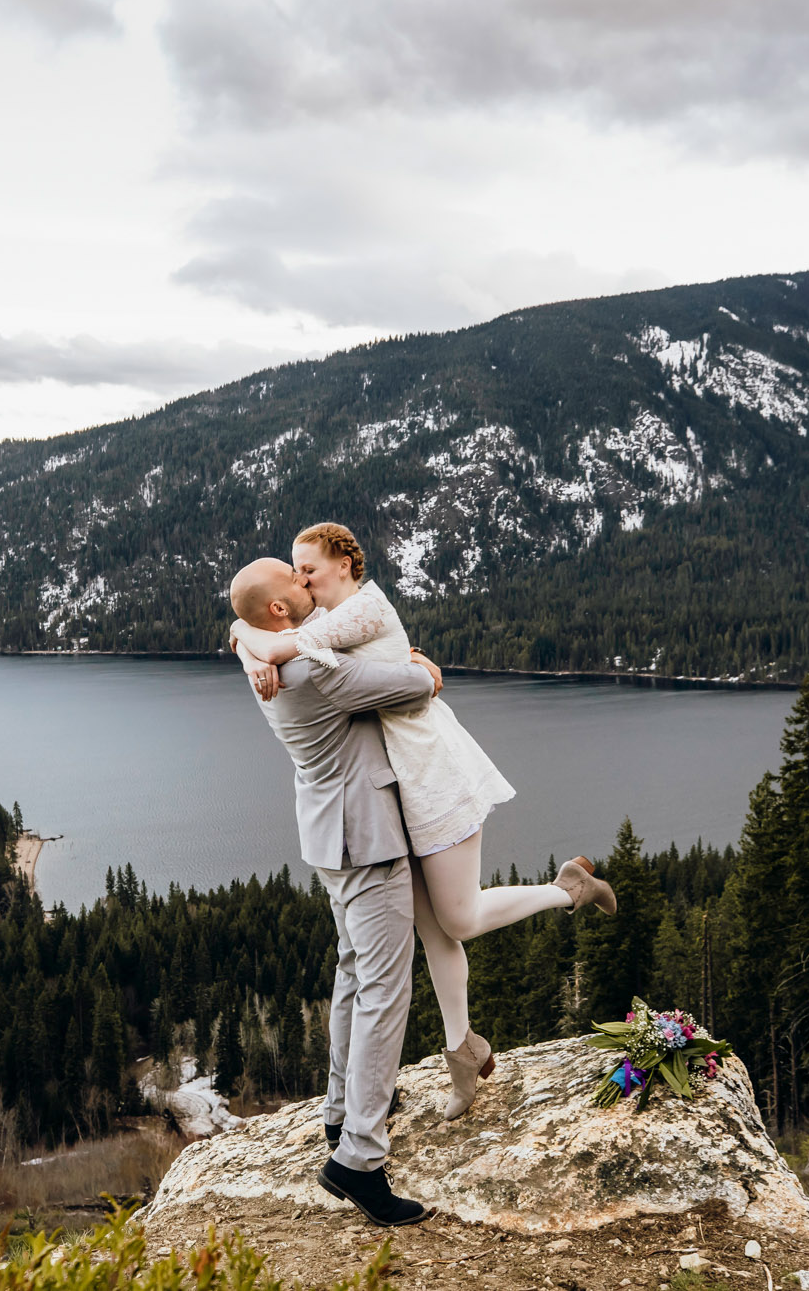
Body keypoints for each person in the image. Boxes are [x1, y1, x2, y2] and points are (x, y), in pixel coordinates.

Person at [231, 523, 616, 1121]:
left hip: (433, 775)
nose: (303, 576)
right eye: (295, 571)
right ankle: (462, 1053)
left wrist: (253, 644)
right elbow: (267, 629)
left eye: (309, 567)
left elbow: (300, 651)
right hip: (394, 797)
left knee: (456, 921)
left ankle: (567, 890)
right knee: (432, 933)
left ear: (344, 563)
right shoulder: (315, 625)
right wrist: (243, 634)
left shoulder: (362, 608)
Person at [227, 554, 437, 1227]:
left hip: (328, 836)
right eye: (297, 579)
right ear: (282, 610)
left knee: (353, 968)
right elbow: (414, 681)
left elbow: (243, 625)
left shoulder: (260, 650)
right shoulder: (315, 669)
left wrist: (243, 637)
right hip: (366, 839)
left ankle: (342, 1110)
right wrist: (424, 667)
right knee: (384, 985)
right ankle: (359, 1158)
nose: (308, 578)